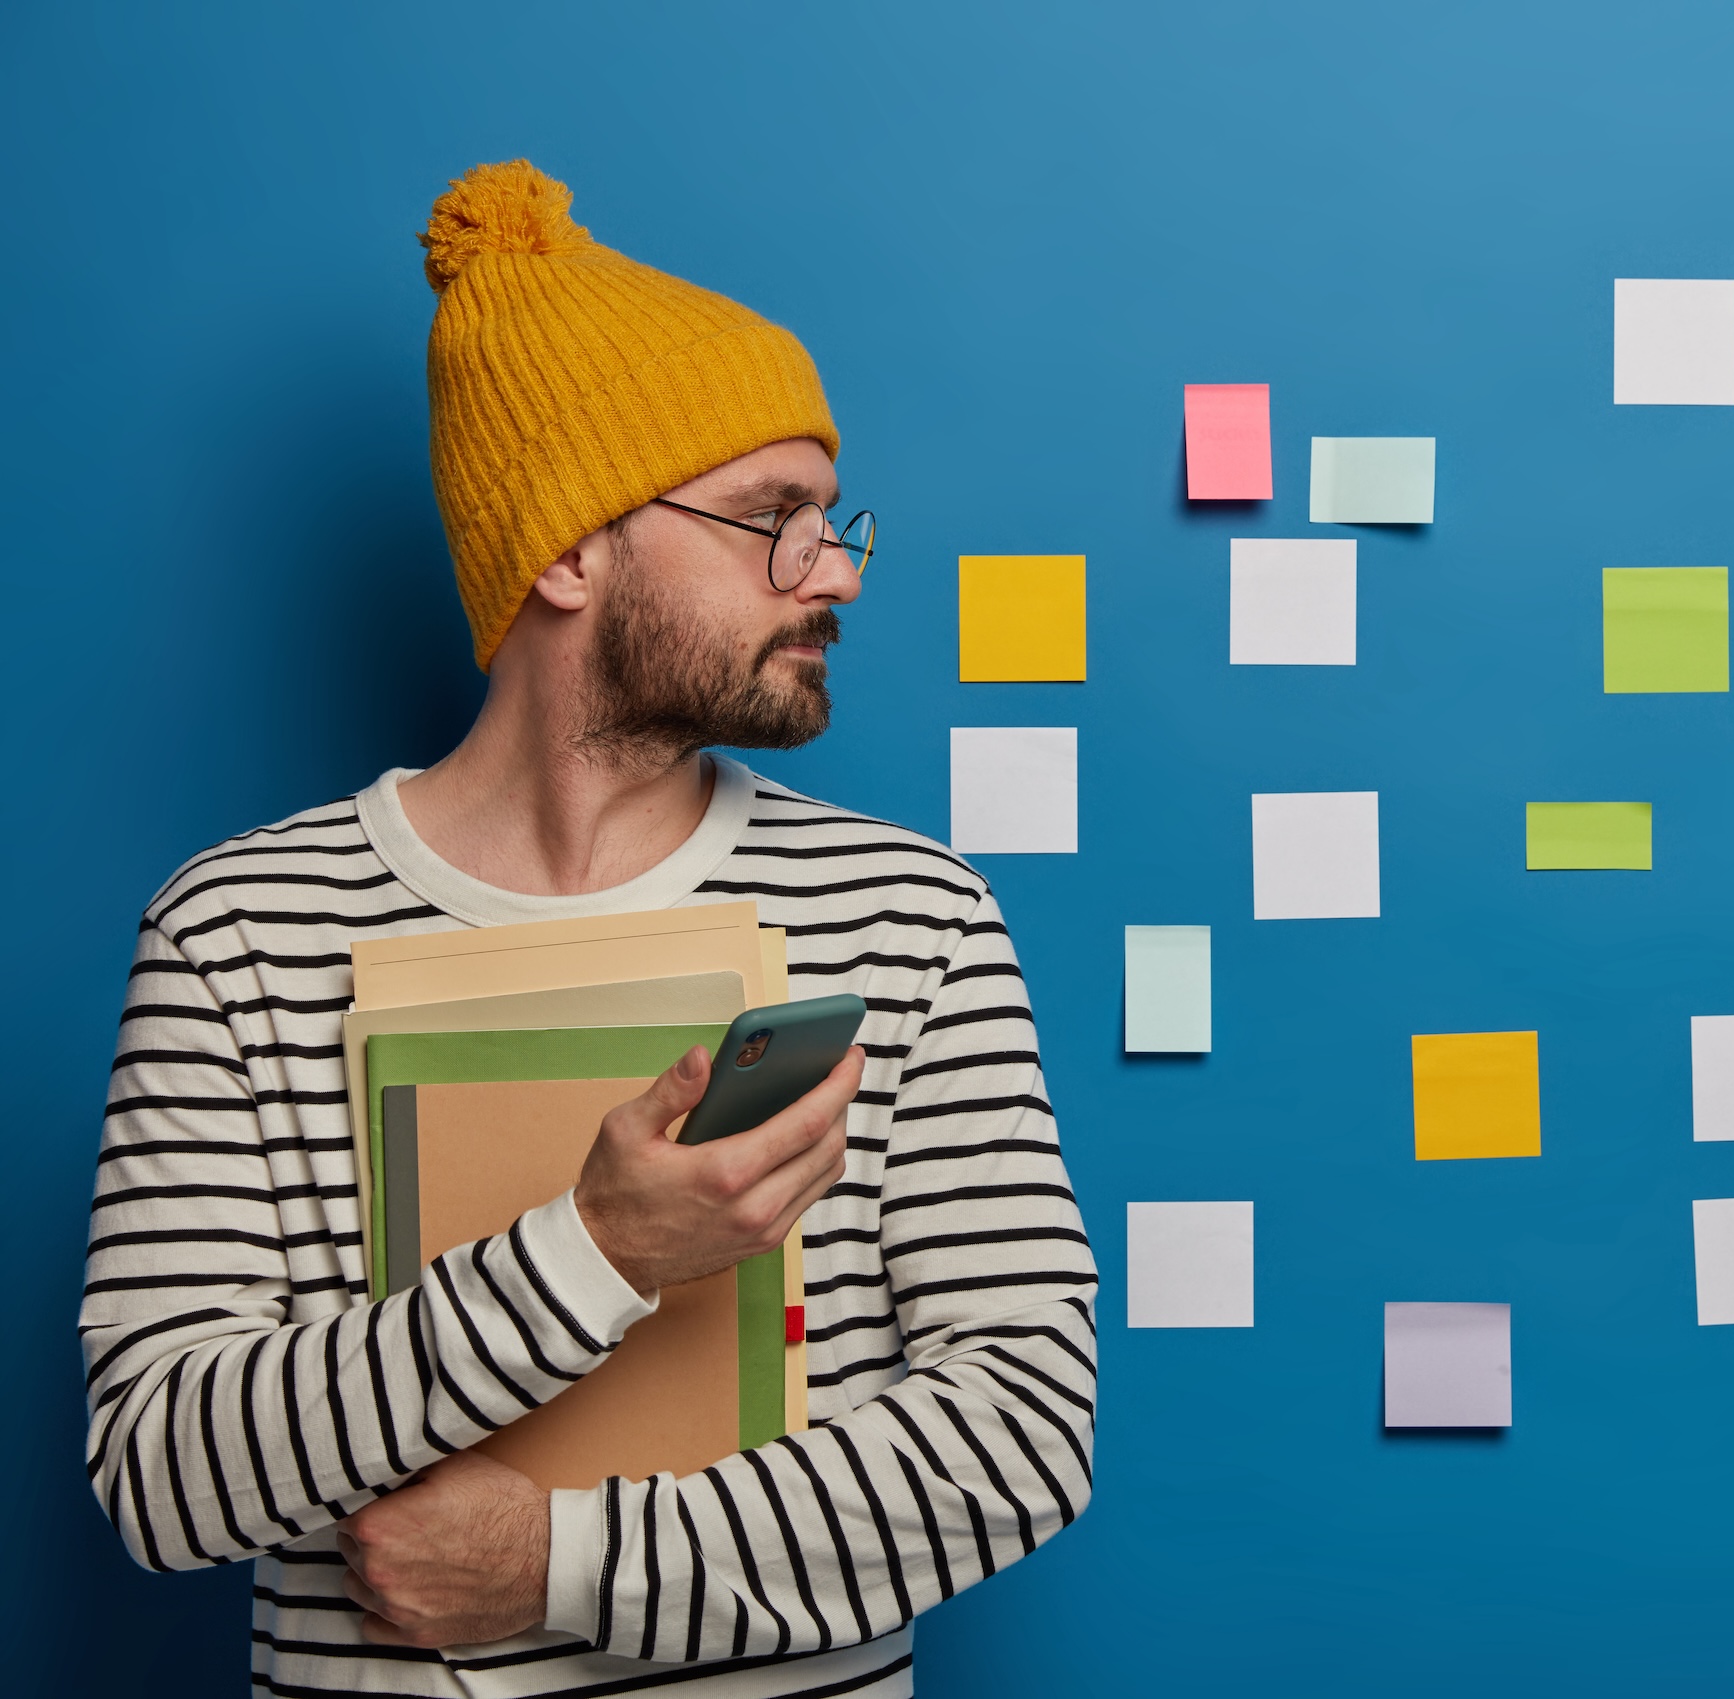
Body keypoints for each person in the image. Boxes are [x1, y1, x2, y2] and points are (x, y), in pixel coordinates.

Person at [80, 160, 1096, 1697]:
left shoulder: (911, 918)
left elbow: (1021, 1431)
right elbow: (162, 1479)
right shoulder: (237, 932)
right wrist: (601, 1249)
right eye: (771, 519)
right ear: (568, 550)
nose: (834, 576)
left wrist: (556, 1564)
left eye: (833, 522)